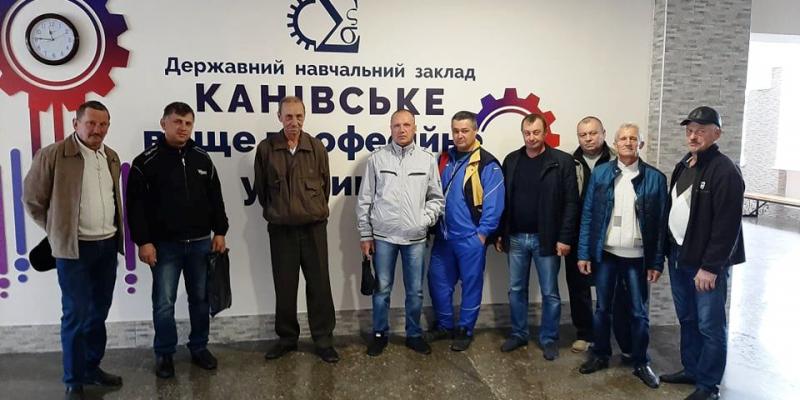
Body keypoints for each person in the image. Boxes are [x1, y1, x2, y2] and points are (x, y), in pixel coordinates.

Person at [24, 101, 124, 399]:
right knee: (75, 315)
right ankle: (74, 380)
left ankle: (92, 368)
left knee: (99, 312)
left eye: (103, 124)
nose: (97, 130)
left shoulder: (111, 156)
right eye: (91, 123)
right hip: (74, 251)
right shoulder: (53, 155)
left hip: (107, 246)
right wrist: (59, 231)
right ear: (76, 124)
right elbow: (32, 200)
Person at [126, 102, 229, 378]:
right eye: (177, 122)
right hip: (164, 246)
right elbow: (135, 208)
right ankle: (164, 353)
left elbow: (216, 199)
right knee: (164, 303)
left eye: (188, 123)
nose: (183, 128)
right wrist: (143, 242)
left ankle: (199, 347)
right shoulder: (145, 162)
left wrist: (220, 231)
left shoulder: (202, 158)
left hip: (200, 243)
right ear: (164, 124)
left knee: (200, 299)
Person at [660, 106, 745, 400]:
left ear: (716, 134)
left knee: (710, 326)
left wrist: (710, 267)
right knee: (687, 318)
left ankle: (708, 386)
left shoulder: (725, 171)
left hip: (705, 265)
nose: (693, 136)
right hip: (679, 257)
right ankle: (692, 369)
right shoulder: (685, 164)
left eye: (701, 131)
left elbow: (727, 226)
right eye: (690, 130)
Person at [576, 123, 666, 389]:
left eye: (633, 138)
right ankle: (600, 354)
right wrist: (584, 253)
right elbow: (588, 215)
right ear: (615, 144)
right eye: (623, 138)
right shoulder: (602, 173)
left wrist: (656, 262)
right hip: (607, 255)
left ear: (641, 144)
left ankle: (640, 361)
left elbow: (660, 225)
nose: (628, 142)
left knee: (639, 313)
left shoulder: (656, 178)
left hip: (638, 258)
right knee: (602, 308)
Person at [253, 96, 339, 363]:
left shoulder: (316, 147)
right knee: (285, 286)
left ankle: (323, 340)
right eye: (288, 116)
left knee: (320, 285)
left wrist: (310, 210)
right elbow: (262, 191)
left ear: (305, 117)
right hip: (281, 231)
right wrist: (281, 212)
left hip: (314, 228)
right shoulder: (266, 149)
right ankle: (287, 339)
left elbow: (325, 187)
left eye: (299, 116)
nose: (294, 122)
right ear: (279, 117)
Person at [356, 109, 444, 356]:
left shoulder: (426, 159)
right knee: (381, 290)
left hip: (415, 239)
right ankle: (379, 334)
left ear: (415, 128)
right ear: (390, 128)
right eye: (397, 125)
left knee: (415, 291)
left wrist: (423, 220)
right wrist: (365, 234)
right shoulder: (377, 159)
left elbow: (437, 199)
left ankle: (414, 334)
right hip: (383, 237)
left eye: (406, 125)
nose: (402, 129)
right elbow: (365, 200)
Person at [494, 113, 579, 361]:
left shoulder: (562, 162)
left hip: (548, 239)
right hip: (516, 237)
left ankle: (549, 338)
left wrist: (565, 238)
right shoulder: (512, 160)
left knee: (550, 292)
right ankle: (519, 333)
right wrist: (500, 233)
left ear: (545, 132)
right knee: (516, 289)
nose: (531, 138)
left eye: (536, 133)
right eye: (527, 133)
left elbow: (571, 203)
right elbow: (503, 200)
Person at [427, 111, 504, 351]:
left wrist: (482, 234)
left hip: (471, 238)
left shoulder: (488, 163)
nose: (459, 135)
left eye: (465, 130)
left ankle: (465, 329)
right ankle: (444, 325)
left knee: (471, 285)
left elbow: (494, 202)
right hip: (444, 237)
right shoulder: (445, 159)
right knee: (437, 281)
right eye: (456, 131)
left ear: (475, 131)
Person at [570, 116, 634, 359]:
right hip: (578, 235)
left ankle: (617, 336)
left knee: (613, 289)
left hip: (610, 237)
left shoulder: (619, 160)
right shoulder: (570, 162)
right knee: (579, 287)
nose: (588, 138)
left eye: (593, 133)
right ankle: (585, 333)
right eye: (583, 135)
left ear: (604, 134)